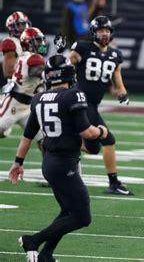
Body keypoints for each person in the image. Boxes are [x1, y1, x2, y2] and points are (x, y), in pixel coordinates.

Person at [8, 54, 108, 262]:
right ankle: (33, 240)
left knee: (67, 210)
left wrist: (18, 162)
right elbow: (86, 132)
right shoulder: (73, 95)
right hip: (64, 163)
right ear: (69, 74)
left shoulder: (38, 99)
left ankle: (46, 254)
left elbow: (27, 136)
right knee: (82, 217)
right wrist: (100, 131)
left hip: (50, 162)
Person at [68, 15, 133, 195]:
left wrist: (123, 95)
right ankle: (114, 182)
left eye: (107, 30)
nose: (104, 34)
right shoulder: (82, 47)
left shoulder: (115, 54)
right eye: (100, 30)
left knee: (93, 148)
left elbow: (118, 83)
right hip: (81, 101)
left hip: (93, 105)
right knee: (108, 139)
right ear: (93, 33)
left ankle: (64, 141)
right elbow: (66, 64)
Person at [0, 27, 47, 151]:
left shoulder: (28, 56)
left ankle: (50, 168)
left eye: (41, 40)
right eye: (37, 41)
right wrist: (52, 72)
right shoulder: (33, 58)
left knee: (45, 140)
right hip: (14, 103)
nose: (41, 44)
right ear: (28, 43)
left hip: (29, 106)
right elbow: (36, 71)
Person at [2, 11, 31, 80]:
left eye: (24, 25)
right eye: (18, 25)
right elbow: (8, 72)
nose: (22, 28)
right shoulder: (11, 42)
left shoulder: (28, 42)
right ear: (11, 27)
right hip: (18, 87)